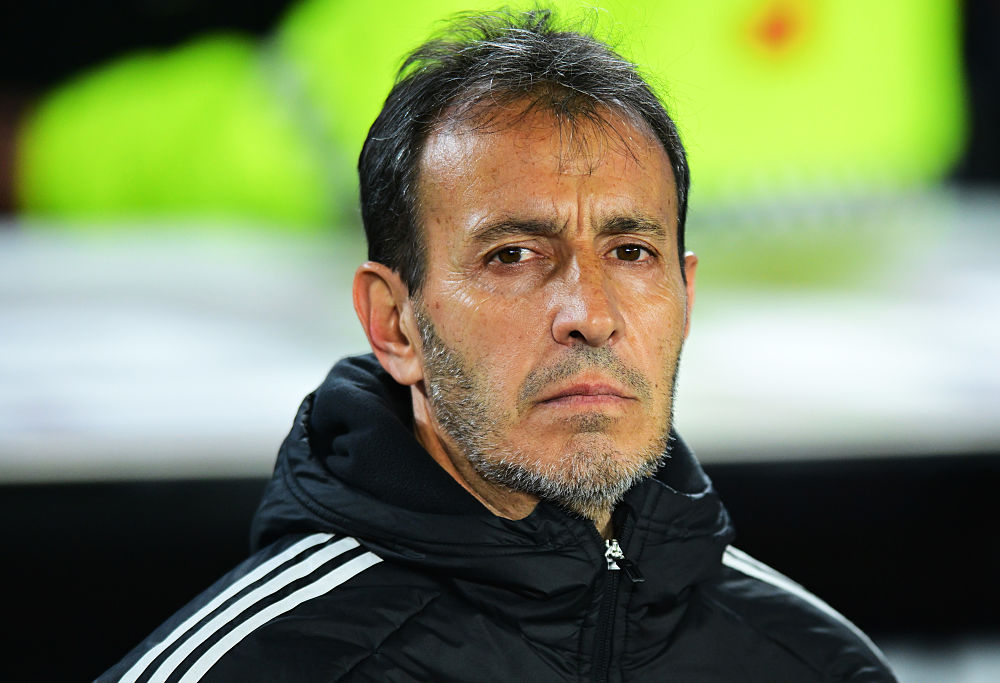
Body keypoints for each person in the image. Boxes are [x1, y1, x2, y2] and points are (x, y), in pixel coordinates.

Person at [99, 9, 896, 682]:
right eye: (513, 255)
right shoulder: (254, 665)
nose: (590, 313)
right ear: (393, 324)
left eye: (631, 252)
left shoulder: (818, 664)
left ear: (685, 296)